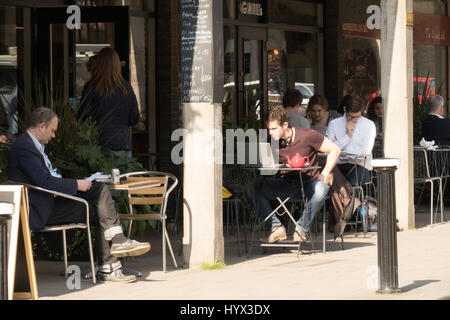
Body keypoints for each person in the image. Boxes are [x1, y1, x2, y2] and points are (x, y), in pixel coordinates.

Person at [8, 107, 150, 283]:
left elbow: (48, 180)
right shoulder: (24, 147)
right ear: (42, 126)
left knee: (98, 191)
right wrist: (77, 184)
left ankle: (113, 258)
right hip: (39, 208)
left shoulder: (33, 146)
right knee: (99, 208)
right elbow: (45, 182)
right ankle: (110, 265)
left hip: (49, 200)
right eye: (52, 130)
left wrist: (82, 183)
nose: (53, 136)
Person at [249, 106, 340, 243]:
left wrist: (325, 173)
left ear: (285, 125)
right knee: (253, 187)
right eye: (269, 129)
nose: (271, 132)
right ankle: (275, 227)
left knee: (321, 189)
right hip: (286, 183)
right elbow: (266, 162)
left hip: (309, 182)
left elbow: (335, 149)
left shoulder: (307, 135)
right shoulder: (271, 140)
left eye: (274, 129)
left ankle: (302, 227)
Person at [78, 47, 140, 155]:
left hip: (99, 145)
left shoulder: (92, 87)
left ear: (99, 64)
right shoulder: (126, 88)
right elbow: (134, 118)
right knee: (124, 172)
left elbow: (83, 116)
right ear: (117, 65)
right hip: (123, 145)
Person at [326, 94, 376, 187]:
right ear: (345, 109)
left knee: (351, 185)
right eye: (350, 117)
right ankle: (350, 201)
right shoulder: (334, 124)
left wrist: (340, 152)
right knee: (329, 182)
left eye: (357, 117)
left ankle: (350, 201)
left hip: (361, 167)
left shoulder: (369, 125)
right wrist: (347, 136)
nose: (354, 120)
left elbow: (365, 152)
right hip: (338, 166)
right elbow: (329, 150)